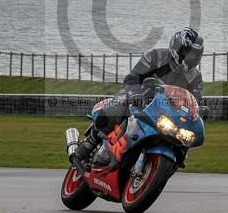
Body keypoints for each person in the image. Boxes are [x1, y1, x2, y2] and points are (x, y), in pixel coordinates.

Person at [74, 27, 207, 164]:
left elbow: (194, 100)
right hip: (137, 97)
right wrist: (135, 94)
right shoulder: (156, 56)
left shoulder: (195, 77)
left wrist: (200, 110)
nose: (192, 57)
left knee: (184, 139)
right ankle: (88, 146)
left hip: (163, 110)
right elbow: (132, 78)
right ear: (177, 47)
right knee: (114, 110)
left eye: (195, 54)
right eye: (188, 52)